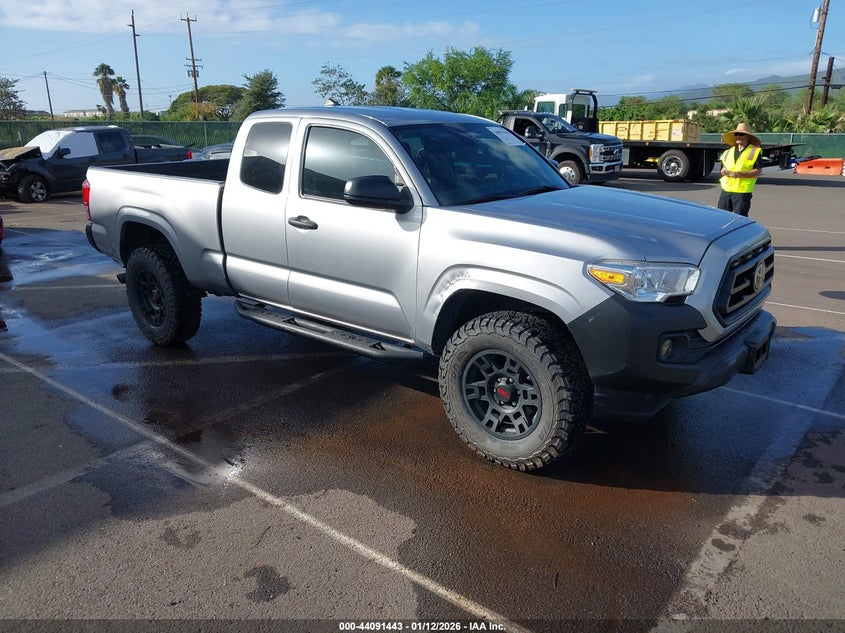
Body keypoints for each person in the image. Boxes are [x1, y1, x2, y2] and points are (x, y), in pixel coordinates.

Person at [717, 122, 763, 217]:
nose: (738, 136)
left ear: (747, 137)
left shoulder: (754, 151)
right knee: (721, 217)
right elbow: (722, 168)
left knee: (740, 219)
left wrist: (741, 174)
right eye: (736, 134)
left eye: (741, 134)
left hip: (742, 191)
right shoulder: (727, 152)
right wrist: (723, 171)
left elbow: (758, 171)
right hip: (726, 190)